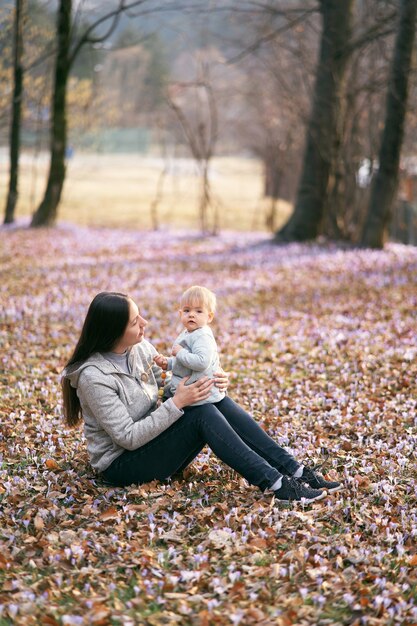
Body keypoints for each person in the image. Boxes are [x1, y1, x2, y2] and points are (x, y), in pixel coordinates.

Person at [62, 291, 341, 504]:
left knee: (213, 400)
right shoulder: (93, 378)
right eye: (136, 321)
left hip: (153, 443)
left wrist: (215, 379)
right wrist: (178, 402)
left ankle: (294, 469)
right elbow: (127, 437)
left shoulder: (139, 349)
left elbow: (171, 381)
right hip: (122, 464)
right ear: (114, 331)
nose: (145, 323)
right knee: (200, 413)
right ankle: (277, 485)